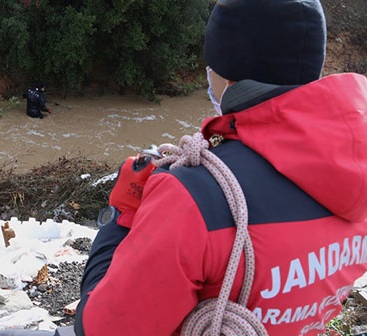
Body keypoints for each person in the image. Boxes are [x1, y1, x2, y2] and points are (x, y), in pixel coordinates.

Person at [74, 1, 367, 336]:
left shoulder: (192, 196)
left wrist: (122, 217)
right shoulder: (355, 168)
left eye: (210, 66)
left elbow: (102, 329)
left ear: (226, 76)